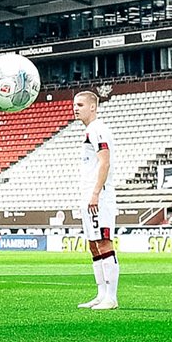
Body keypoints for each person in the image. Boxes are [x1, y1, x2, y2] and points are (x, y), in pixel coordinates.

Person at [75, 90, 119, 309]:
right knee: (93, 245)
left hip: (99, 197)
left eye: (80, 105)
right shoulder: (90, 131)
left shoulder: (98, 129)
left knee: (103, 242)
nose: (76, 108)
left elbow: (105, 162)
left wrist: (95, 193)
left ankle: (111, 297)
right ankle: (101, 294)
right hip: (89, 196)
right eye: (75, 105)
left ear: (93, 106)